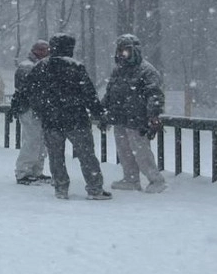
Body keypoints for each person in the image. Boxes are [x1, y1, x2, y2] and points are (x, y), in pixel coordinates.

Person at [20, 33, 110, 200]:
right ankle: (95, 188)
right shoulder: (75, 67)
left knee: (56, 156)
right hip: (76, 119)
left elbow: (28, 91)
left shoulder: (41, 67)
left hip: (51, 120)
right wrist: (98, 113)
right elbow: (89, 94)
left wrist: (42, 108)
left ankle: (61, 187)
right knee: (87, 155)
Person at [102, 34, 166, 193]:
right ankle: (130, 179)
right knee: (124, 151)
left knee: (141, 152)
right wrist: (103, 111)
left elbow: (155, 94)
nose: (121, 53)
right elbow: (110, 93)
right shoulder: (118, 71)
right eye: (120, 50)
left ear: (135, 51)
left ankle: (156, 180)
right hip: (120, 118)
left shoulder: (147, 70)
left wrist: (153, 114)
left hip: (137, 119)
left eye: (126, 50)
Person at [8, 40, 51, 185]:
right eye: (44, 50)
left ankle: (36, 171)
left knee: (40, 140)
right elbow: (29, 90)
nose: (47, 52)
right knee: (32, 140)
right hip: (30, 109)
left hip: (37, 109)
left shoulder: (38, 66)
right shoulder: (28, 67)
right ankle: (24, 172)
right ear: (37, 51)